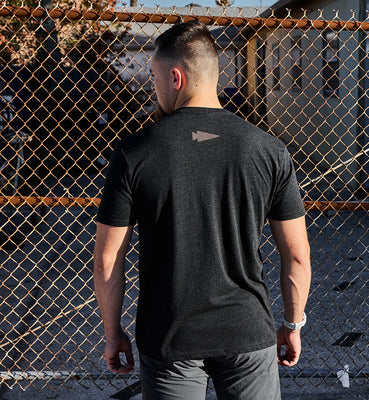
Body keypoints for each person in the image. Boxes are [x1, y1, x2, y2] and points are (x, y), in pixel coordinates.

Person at [93, 20, 311, 400]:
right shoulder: (268, 149)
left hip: (168, 335)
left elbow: (108, 259)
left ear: (176, 77)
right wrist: (292, 324)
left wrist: (113, 335)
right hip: (247, 330)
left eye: (155, 76)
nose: (153, 85)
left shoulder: (134, 153)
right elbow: (297, 254)